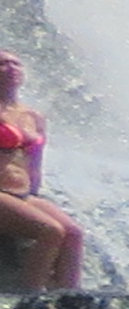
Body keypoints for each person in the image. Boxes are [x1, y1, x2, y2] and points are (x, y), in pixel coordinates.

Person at [0, 53, 81, 295]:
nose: (10, 68)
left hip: (22, 193)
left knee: (73, 233)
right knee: (50, 230)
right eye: (2, 64)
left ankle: (69, 298)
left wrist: (34, 195)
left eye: (15, 63)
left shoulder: (34, 117)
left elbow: (35, 164)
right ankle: (30, 296)